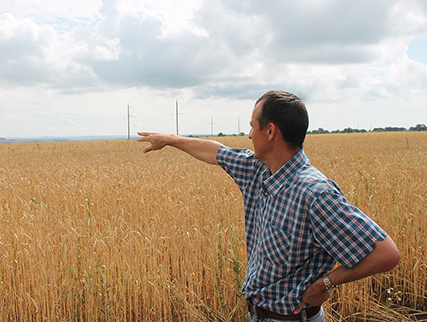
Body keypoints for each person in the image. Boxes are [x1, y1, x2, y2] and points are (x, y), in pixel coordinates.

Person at [137, 90, 400, 322]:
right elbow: (215, 151)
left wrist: (326, 283)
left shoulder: (314, 194)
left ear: (271, 131)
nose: (249, 134)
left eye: (253, 126)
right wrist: (170, 139)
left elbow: (385, 253)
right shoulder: (258, 169)